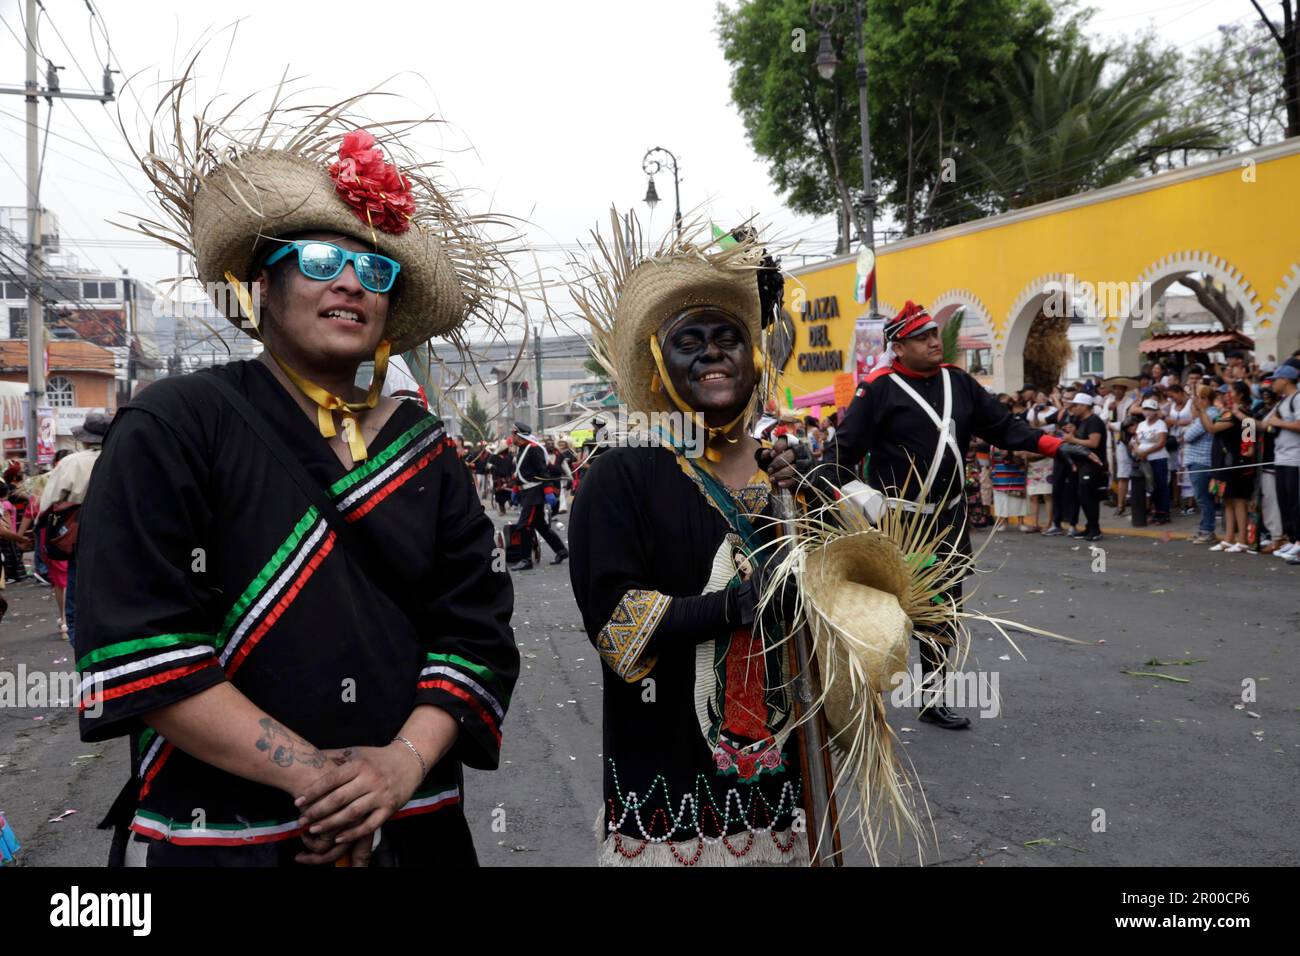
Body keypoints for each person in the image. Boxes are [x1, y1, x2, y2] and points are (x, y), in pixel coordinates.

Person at [74, 78, 518, 866]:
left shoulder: (426, 447)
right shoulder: (174, 425)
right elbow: (142, 641)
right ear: (263, 286)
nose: (351, 282)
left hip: (412, 829)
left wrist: (397, 767)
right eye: (319, 260)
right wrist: (318, 779)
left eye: (373, 272)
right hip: (224, 839)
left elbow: (475, 633)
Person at [568, 217, 808, 866]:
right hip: (667, 797)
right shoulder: (621, 474)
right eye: (689, 341)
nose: (711, 353)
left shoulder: (789, 476)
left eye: (728, 337)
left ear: (754, 356)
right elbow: (617, 628)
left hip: (783, 790)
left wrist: (811, 516)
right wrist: (728, 608)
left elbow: (840, 612)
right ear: (659, 365)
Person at [766, 300, 1098, 729]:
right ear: (899, 346)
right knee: (885, 612)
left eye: (934, 334)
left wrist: (1054, 446)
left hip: (948, 521)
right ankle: (862, 694)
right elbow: (839, 455)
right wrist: (847, 494)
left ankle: (934, 696)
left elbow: (1004, 427)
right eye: (922, 337)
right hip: (897, 524)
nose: (933, 341)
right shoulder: (878, 389)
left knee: (943, 612)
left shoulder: (959, 383)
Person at [1200, 384, 1256, 553]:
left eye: (1229, 392)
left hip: (1235, 464)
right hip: (1222, 462)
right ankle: (1228, 538)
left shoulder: (1242, 414)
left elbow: (1211, 428)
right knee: (1227, 500)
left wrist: (1201, 410)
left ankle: (1242, 540)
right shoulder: (1226, 412)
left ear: (1239, 394)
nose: (1225, 395)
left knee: (1239, 500)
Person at [507, 422, 568, 570]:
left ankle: (526, 560)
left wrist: (548, 492)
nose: (511, 437)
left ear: (518, 435)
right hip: (527, 493)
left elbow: (544, 473)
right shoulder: (522, 449)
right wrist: (516, 490)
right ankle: (561, 550)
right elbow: (522, 474)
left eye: (513, 434)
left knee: (524, 525)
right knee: (540, 525)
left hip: (534, 494)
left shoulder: (533, 450)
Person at [1261, 365, 1300, 559]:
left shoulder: (1297, 399)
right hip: (1276, 459)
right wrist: (1244, 418)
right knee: (1282, 503)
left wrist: (1278, 423)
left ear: (1285, 380)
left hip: (1294, 460)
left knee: (1294, 503)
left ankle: (1288, 539)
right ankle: (1290, 539)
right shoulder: (1276, 404)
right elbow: (1261, 425)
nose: (1268, 389)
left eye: (1274, 381)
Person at [1059, 394, 1107, 541]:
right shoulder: (1081, 421)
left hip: (1092, 464)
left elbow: (1094, 443)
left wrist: (1072, 439)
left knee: (1089, 496)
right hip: (1082, 464)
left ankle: (1095, 529)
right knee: (1084, 496)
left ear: (1085, 406)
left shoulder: (1094, 421)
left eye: (1076, 405)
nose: (1073, 409)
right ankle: (1089, 527)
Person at [1183, 385, 1222, 545]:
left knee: (1203, 499)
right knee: (1204, 499)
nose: (1195, 401)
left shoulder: (1209, 414)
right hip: (1199, 461)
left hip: (1201, 462)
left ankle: (1208, 531)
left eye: (1199, 398)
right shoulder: (1206, 415)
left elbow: (1188, 435)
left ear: (1205, 399)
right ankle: (1204, 529)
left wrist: (1196, 415)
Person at [1132, 398, 1171, 523]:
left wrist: (1146, 452)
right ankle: (1154, 511)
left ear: (1155, 411)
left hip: (1158, 458)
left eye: (1150, 409)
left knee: (1161, 485)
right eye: (1145, 409)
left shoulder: (1161, 424)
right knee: (1150, 486)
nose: (1147, 412)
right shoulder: (1141, 425)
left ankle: (1163, 512)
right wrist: (1138, 450)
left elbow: (1161, 442)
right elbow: (1137, 440)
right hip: (1144, 460)